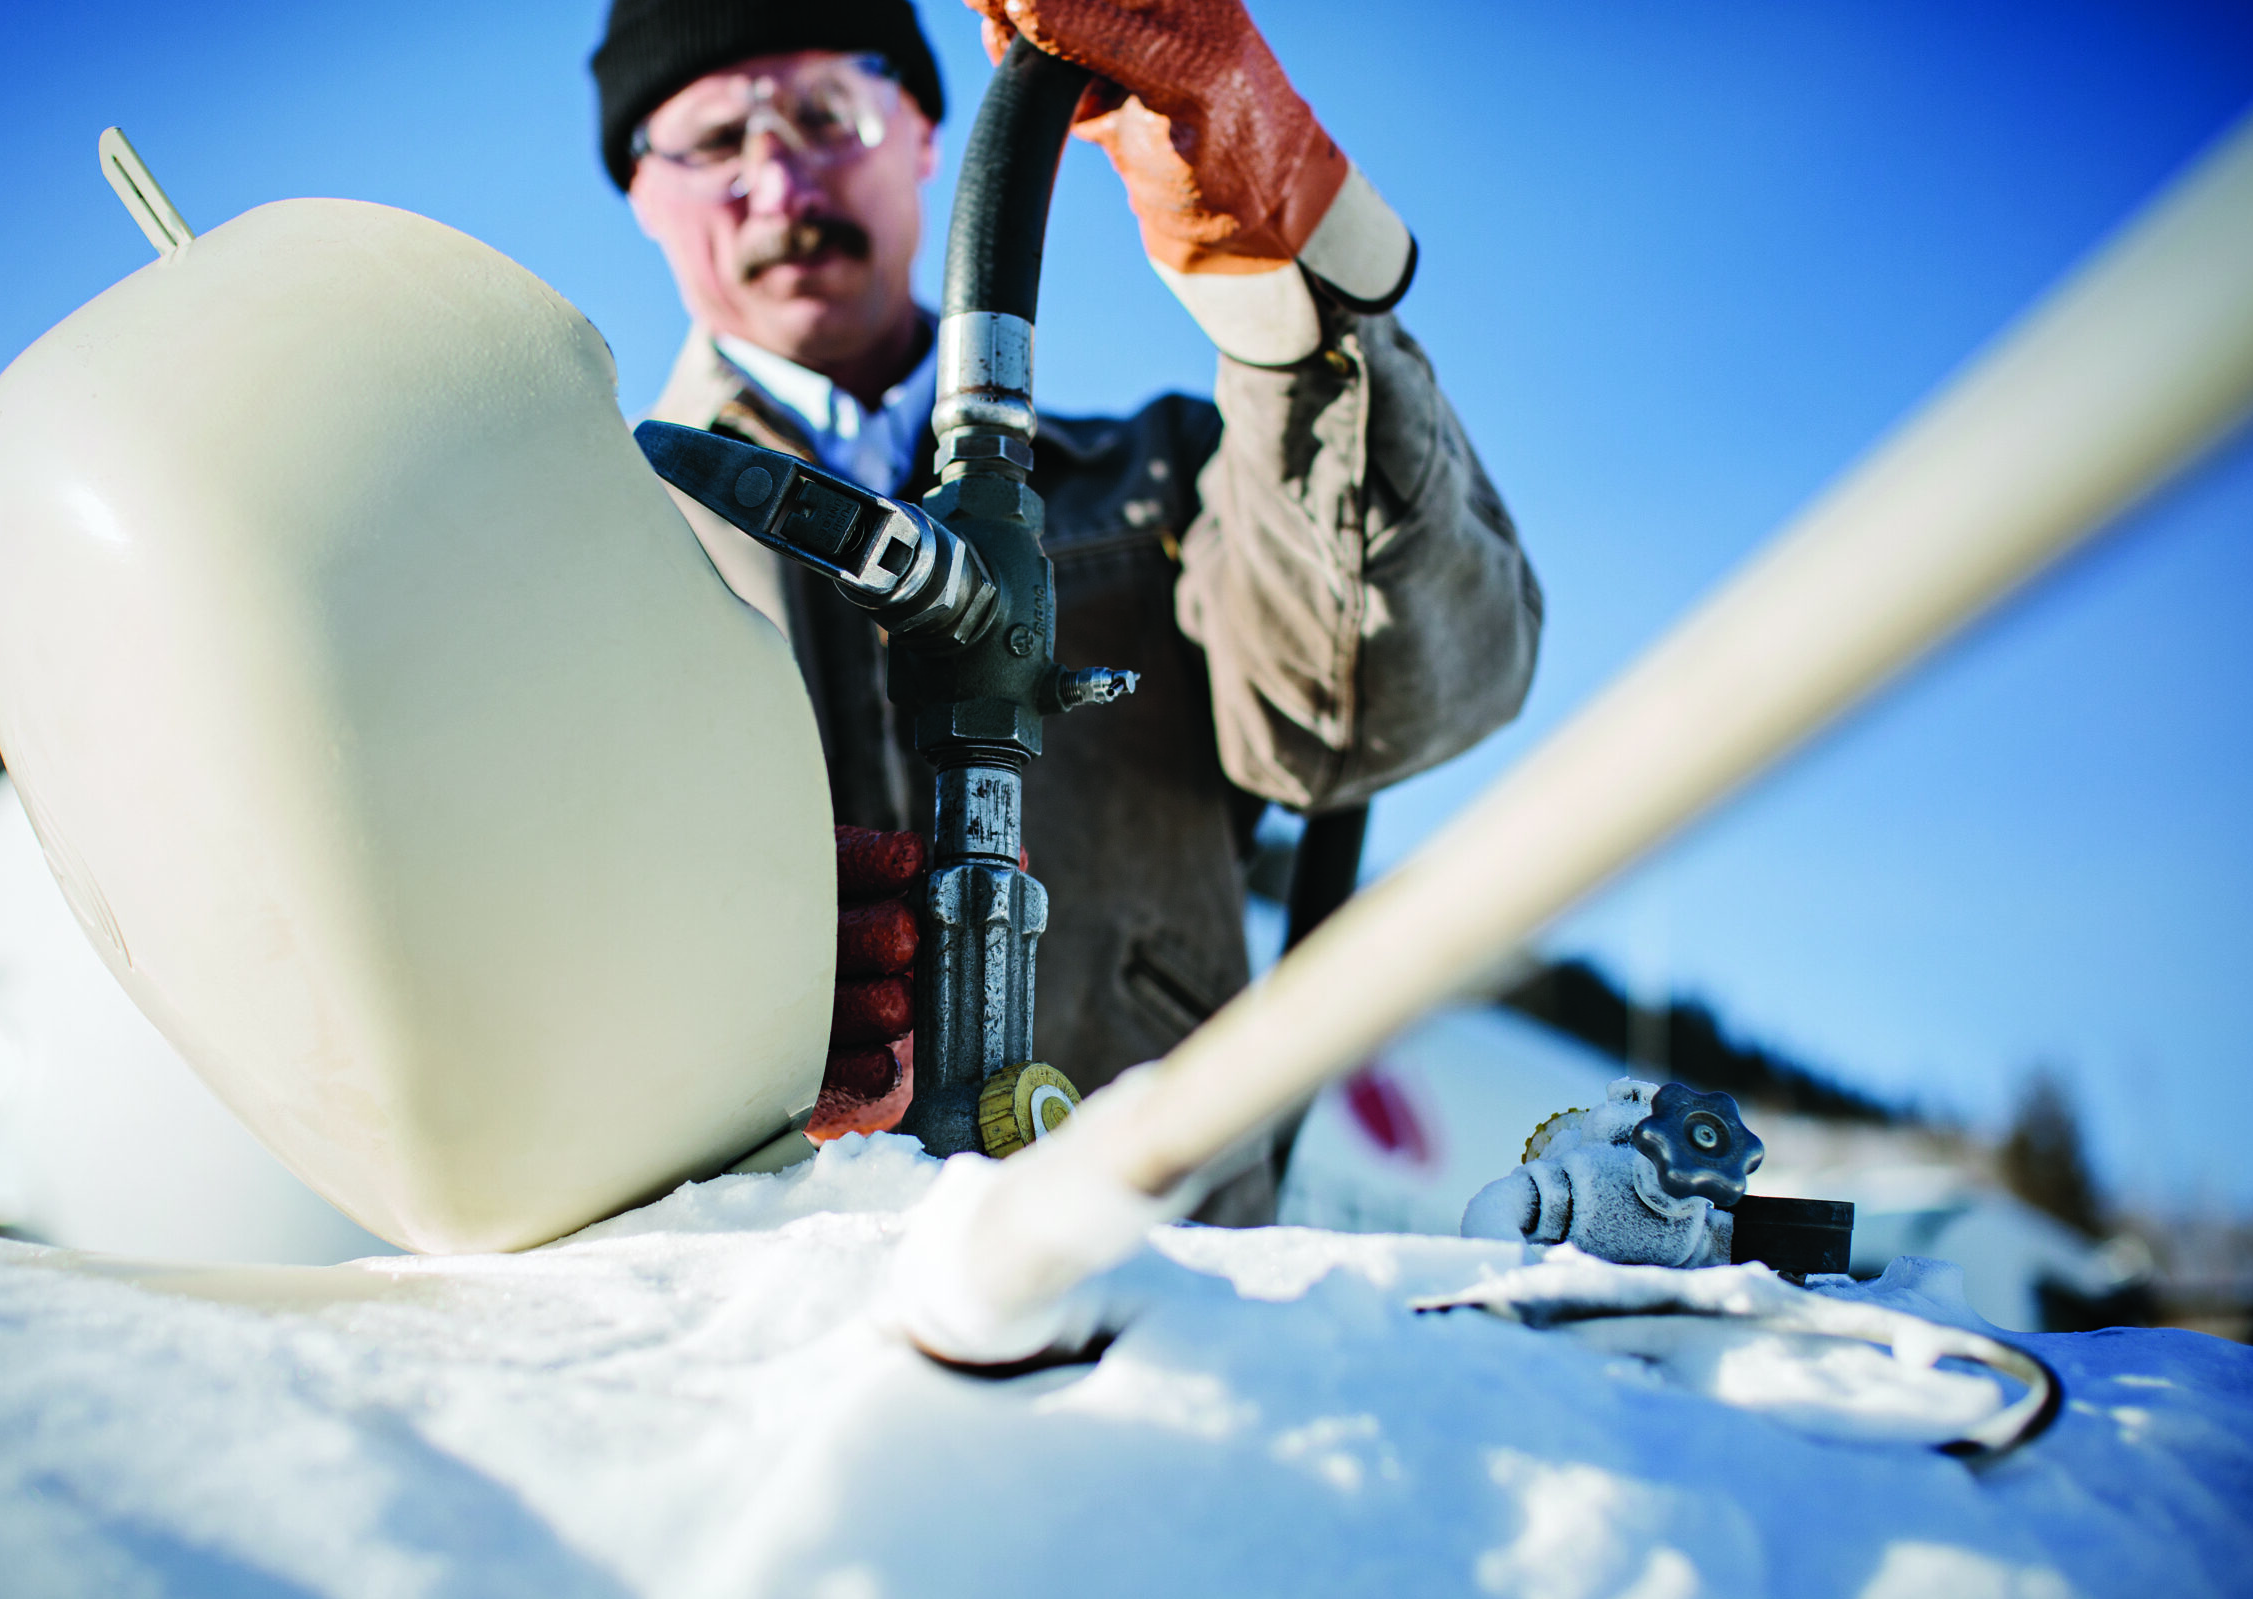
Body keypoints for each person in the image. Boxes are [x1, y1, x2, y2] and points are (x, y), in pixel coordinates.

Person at [593, 0, 1542, 1222]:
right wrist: (691, 1002)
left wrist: (1280, 291)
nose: (777, 183)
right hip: (731, 1304)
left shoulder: (1172, 479)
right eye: (714, 141)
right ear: (639, 190)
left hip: (1155, 1280)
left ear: (924, 133)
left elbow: (1394, 706)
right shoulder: (586, 545)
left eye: (826, 115)